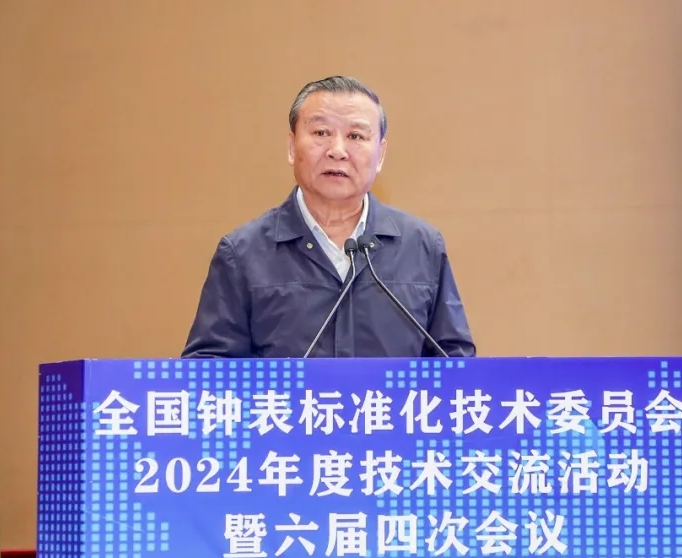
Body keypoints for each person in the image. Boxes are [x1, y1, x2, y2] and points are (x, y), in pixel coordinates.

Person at [181, 76, 476, 359]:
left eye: (356, 136)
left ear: (381, 155)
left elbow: (456, 364)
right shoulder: (242, 254)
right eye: (321, 133)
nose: (337, 151)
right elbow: (209, 370)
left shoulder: (422, 247)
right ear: (291, 147)